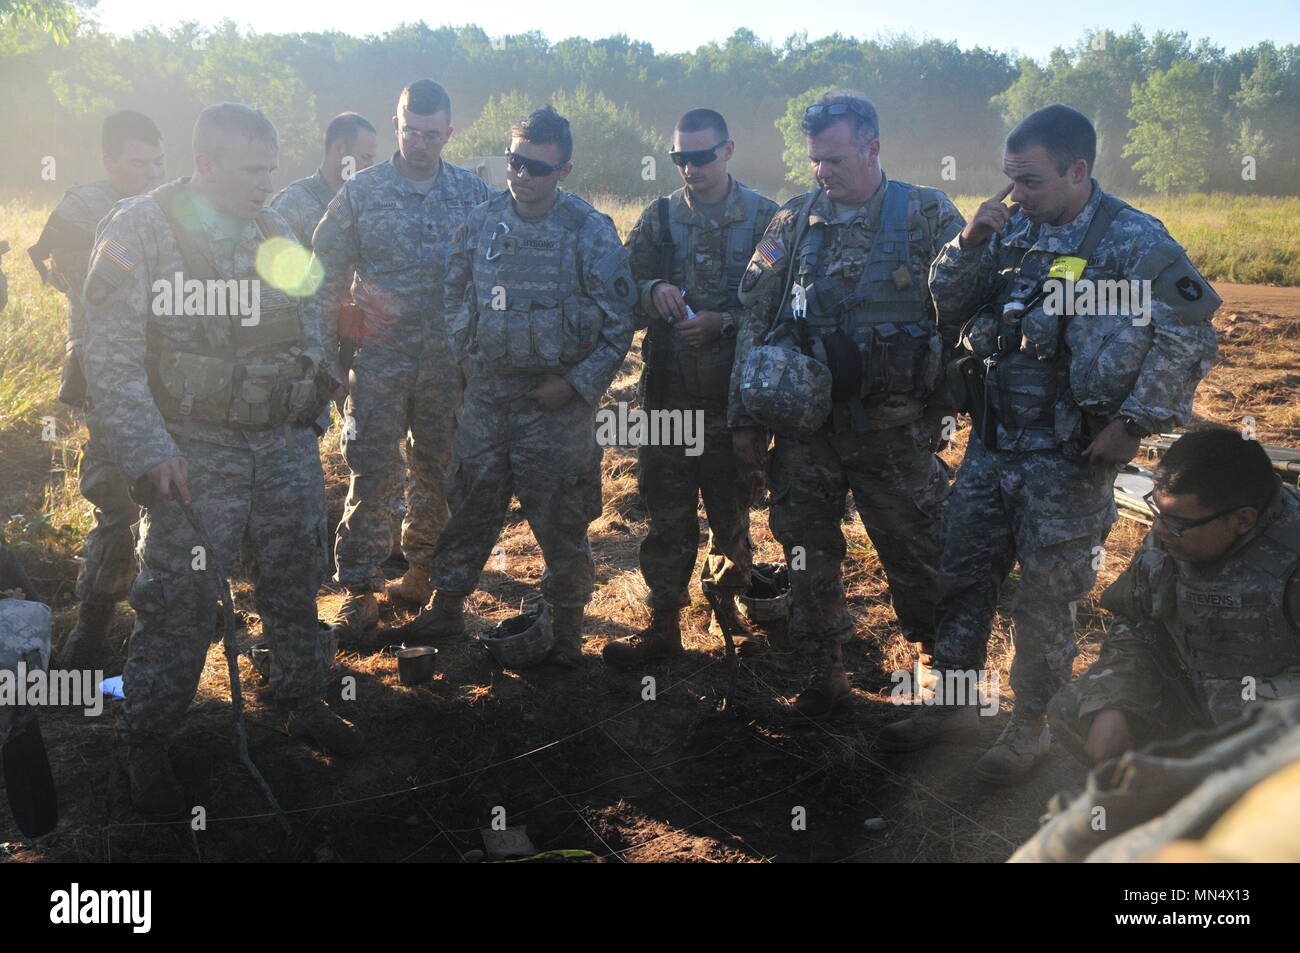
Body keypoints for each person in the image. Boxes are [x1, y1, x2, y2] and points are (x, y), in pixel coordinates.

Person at [878, 105, 1221, 783]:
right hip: (994, 443)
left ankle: (1028, 727)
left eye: (1030, 181)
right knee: (963, 578)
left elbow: (1192, 331)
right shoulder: (1013, 231)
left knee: (1044, 599)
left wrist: (1134, 423)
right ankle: (953, 705)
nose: (1018, 196)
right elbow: (946, 303)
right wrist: (971, 239)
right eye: (1010, 181)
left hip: (1070, 458)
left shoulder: (1134, 240)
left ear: (1078, 170)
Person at [82, 102, 362, 817]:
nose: (265, 183)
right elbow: (107, 355)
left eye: (271, 169)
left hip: (283, 444)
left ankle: (301, 697)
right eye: (250, 170)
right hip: (192, 452)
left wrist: (317, 391)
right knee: (179, 599)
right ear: (205, 164)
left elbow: (309, 318)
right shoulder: (140, 228)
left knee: (298, 570)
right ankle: (144, 738)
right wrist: (150, 449)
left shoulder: (275, 224)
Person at [728, 91, 964, 715]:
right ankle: (822, 675)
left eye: (834, 158)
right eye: (814, 160)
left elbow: (966, 313)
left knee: (919, 554)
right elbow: (753, 317)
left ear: (872, 148)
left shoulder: (928, 214)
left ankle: (944, 683)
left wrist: (949, 402)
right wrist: (745, 416)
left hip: (896, 431)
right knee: (807, 555)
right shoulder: (793, 222)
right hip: (808, 435)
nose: (822, 171)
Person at [400, 105, 635, 667]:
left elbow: (619, 319)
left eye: (537, 168)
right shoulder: (482, 222)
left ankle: (567, 633)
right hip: (489, 395)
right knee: (470, 504)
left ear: (565, 171)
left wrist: (576, 385)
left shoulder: (590, 230)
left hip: (557, 404)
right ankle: (446, 606)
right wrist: (468, 357)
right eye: (515, 162)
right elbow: (454, 293)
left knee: (562, 518)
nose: (523, 176)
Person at [305, 80, 492, 634]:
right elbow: (322, 277)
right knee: (373, 472)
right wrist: (330, 353)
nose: (421, 143)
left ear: (449, 134)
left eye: (433, 135)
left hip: (446, 368)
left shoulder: (472, 194)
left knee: (438, 472)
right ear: (396, 125)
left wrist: (481, 358)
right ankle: (360, 588)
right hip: (380, 362)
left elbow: (489, 278)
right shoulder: (361, 193)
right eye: (412, 131)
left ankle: (423, 574)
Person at [602, 108, 777, 669]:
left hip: (734, 401)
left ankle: (729, 606)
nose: (690, 168)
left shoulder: (766, 218)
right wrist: (653, 289)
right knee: (667, 514)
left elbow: (779, 309)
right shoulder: (659, 218)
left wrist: (723, 321)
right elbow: (620, 290)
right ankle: (664, 626)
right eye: (680, 158)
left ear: (727, 151)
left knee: (732, 511)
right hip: (667, 399)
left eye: (701, 157)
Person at [1049, 427, 1300, 765]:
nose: (1159, 531)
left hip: (1274, 724)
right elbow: (1137, 624)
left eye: (1177, 522)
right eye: (1157, 511)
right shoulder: (1174, 532)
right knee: (1081, 708)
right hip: (1195, 694)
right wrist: (1116, 700)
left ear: (1242, 519)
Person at [28, 111, 166, 667]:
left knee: (175, 498)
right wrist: (138, 245)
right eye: (139, 164)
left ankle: (160, 619)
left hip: (169, 374)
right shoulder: (83, 208)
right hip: (108, 370)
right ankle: (92, 622)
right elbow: (87, 286)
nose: (151, 173)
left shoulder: (169, 206)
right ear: (110, 162)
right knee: (115, 497)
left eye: (158, 163)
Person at [270, 112, 378, 246]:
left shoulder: (365, 203)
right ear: (340, 148)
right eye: (365, 157)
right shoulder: (293, 202)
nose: (370, 166)